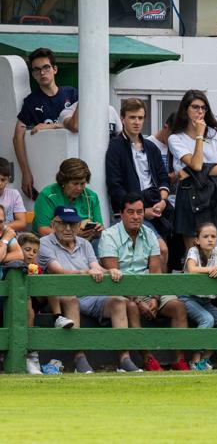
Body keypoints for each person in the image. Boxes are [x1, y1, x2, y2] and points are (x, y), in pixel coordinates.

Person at [37, 206, 137, 373]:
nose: (68, 229)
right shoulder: (45, 242)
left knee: (119, 301)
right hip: (58, 296)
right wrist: (83, 272)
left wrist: (109, 271)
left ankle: (124, 358)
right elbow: (58, 271)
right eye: (63, 224)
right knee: (71, 299)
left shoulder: (84, 243)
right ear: (53, 224)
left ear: (78, 226)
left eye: (72, 224)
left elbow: (95, 267)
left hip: (89, 295)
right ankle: (79, 359)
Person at [99, 193, 190, 371]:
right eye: (131, 212)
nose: (136, 217)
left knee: (178, 306)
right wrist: (138, 300)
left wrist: (155, 297)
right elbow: (113, 274)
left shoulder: (149, 234)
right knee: (131, 306)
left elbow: (156, 271)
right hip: (122, 289)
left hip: (149, 287)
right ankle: (147, 358)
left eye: (139, 212)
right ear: (121, 214)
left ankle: (180, 360)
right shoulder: (108, 236)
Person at [105, 98, 170, 270]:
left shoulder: (151, 147)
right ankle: (159, 295)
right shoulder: (115, 147)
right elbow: (114, 186)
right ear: (122, 118)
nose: (137, 122)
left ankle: (159, 294)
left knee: (175, 246)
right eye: (132, 117)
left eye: (140, 118)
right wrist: (141, 211)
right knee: (161, 250)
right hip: (132, 212)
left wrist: (162, 202)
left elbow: (164, 178)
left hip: (158, 208)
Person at [168, 90, 217, 249]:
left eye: (204, 108)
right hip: (189, 193)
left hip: (213, 191)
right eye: (195, 107)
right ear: (185, 109)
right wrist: (199, 136)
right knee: (193, 250)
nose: (200, 112)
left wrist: (189, 172)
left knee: (214, 247)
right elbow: (196, 163)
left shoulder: (215, 132)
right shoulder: (175, 138)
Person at [13, 47, 78, 198]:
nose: (42, 73)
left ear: (55, 69)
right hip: (48, 169)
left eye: (46, 67)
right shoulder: (31, 102)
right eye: (36, 70)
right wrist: (25, 172)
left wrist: (52, 126)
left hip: (76, 167)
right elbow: (17, 136)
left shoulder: (72, 94)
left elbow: (80, 125)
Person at [182, 222, 217, 370]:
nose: (210, 239)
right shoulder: (193, 251)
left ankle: (205, 358)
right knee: (207, 319)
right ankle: (194, 361)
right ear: (197, 240)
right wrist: (214, 269)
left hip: (206, 301)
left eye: (213, 236)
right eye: (205, 236)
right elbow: (192, 269)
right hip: (188, 297)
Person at [32, 158, 104, 242]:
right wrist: (74, 235)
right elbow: (43, 230)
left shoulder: (91, 197)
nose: (79, 188)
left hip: (84, 243)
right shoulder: (48, 195)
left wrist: (97, 231)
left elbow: (100, 228)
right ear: (63, 181)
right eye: (75, 183)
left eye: (83, 183)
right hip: (51, 243)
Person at [18, 232, 44, 374]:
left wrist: (35, 279)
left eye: (35, 251)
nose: (31, 254)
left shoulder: (36, 268)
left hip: (34, 303)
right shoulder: (12, 264)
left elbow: (40, 298)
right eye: (27, 250)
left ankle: (32, 357)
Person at [0, 157, 26, 231]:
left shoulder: (14, 194)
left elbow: (22, 222)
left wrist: (2, 227)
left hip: (10, 235)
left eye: (3, 179)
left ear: (8, 179)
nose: (0, 183)